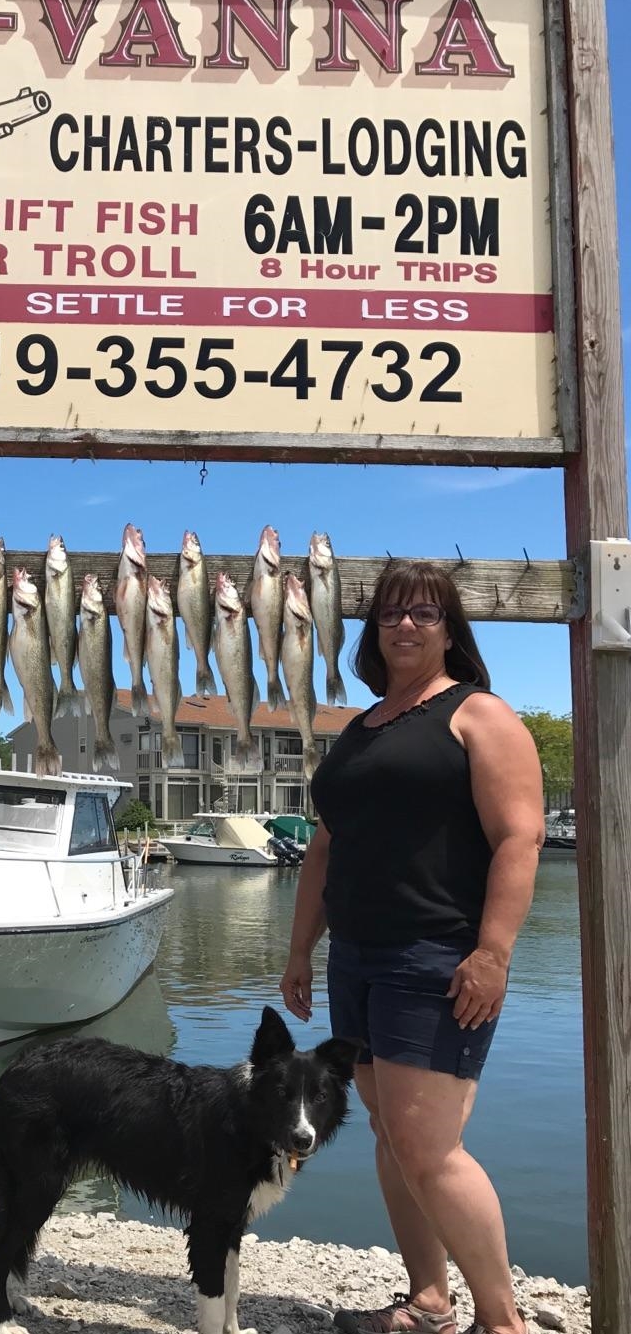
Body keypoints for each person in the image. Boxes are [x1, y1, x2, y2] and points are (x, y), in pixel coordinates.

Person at [279, 561, 543, 1334]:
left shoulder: (478, 715)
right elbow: (327, 848)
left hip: (437, 959)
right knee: (392, 1138)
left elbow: (520, 838)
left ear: (450, 629)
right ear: (373, 630)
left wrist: (492, 953)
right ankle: (429, 1302)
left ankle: (505, 1325)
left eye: (425, 614)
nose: (406, 626)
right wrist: (301, 952)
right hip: (357, 958)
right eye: (392, 614)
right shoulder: (360, 729)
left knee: (431, 1150)